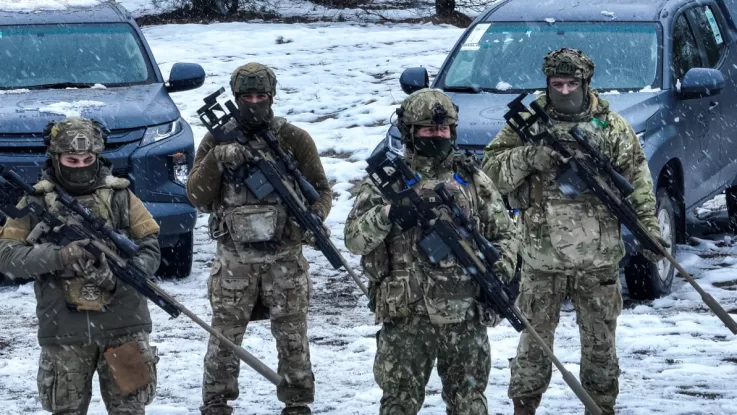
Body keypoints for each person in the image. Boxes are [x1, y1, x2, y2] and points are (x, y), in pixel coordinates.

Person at [482, 48, 667, 415]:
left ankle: (600, 408)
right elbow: (489, 175)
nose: (564, 91)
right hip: (540, 257)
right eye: (556, 84)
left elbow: (639, 183)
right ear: (547, 84)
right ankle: (524, 406)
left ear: (586, 83)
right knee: (534, 345)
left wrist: (649, 232)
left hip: (597, 259)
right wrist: (527, 157)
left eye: (571, 83)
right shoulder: (528, 125)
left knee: (600, 347)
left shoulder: (610, 127)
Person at [344, 88, 519, 414]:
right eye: (427, 129)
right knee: (399, 404)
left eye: (443, 129)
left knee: (469, 404)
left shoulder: (471, 179)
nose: (436, 135)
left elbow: (506, 234)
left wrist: (501, 270)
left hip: (465, 313)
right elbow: (354, 239)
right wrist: (387, 215)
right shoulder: (387, 183)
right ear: (411, 132)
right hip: (407, 315)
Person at [187, 62, 332, 415]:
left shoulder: (294, 138)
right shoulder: (217, 139)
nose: (254, 103)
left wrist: (312, 218)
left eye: (261, 96)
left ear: (272, 97)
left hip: (285, 257)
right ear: (235, 98)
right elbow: (197, 196)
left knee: (292, 335)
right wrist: (218, 158)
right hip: (234, 260)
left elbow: (322, 192)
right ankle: (217, 401)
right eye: (246, 97)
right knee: (225, 335)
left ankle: (297, 401)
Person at [0, 116, 161, 414]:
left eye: (88, 159)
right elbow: (7, 257)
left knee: (130, 410)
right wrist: (59, 256)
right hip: (64, 332)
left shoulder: (121, 196)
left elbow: (150, 250)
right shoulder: (34, 201)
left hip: (124, 325)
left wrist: (118, 277)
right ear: (56, 158)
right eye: (72, 160)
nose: (81, 166)